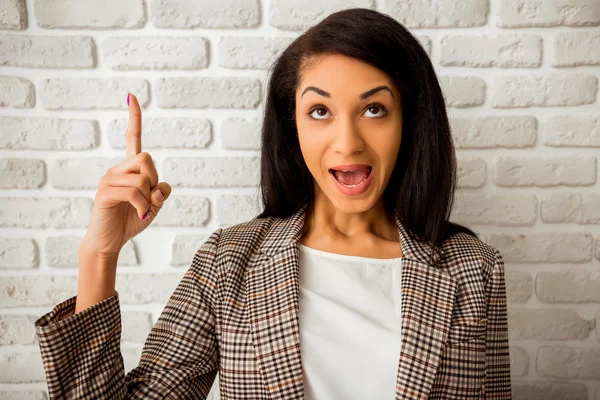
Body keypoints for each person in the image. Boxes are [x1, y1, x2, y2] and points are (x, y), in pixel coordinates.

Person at [34, 7, 512, 400]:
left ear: (409, 121)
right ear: (293, 126)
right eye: (320, 111)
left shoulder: (475, 270)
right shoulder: (229, 263)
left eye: (374, 109)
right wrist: (99, 256)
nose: (347, 143)